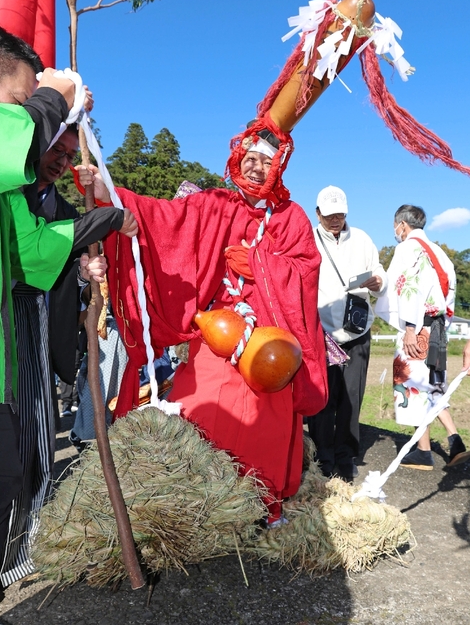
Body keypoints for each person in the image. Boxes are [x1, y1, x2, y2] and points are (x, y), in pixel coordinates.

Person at [0, 21, 137, 625]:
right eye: (17, 100)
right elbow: (6, 142)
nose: (25, 119)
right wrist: (53, 96)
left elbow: (32, 256)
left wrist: (105, 221)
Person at [77, 117, 328, 525]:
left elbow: (306, 273)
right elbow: (162, 220)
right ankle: (205, 506)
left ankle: (260, 505)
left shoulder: (292, 218)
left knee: (266, 426)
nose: (255, 167)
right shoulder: (213, 205)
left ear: (279, 167)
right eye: (248, 158)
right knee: (204, 415)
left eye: (265, 162)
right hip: (217, 337)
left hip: (270, 347)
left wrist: (262, 265)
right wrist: (107, 191)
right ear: (236, 158)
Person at [375, 205, 470, 470]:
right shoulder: (439, 252)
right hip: (438, 326)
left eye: (396, 226)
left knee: (413, 385)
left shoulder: (407, 248)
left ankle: (423, 451)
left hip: (417, 326)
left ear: (402, 225)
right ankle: (455, 442)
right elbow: (447, 296)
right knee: (433, 385)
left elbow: (408, 287)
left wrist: (409, 328)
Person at [307, 186, 387, 481]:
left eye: (340, 213)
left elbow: (379, 270)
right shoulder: (308, 239)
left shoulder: (363, 238)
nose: (335, 219)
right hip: (321, 331)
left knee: (352, 397)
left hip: (357, 329)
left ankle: (345, 456)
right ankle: (322, 456)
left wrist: (380, 281)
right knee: (323, 398)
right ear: (318, 214)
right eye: (329, 215)